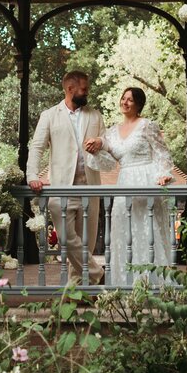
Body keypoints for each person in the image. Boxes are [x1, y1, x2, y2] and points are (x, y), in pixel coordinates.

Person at [84, 87, 175, 284]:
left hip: (146, 178)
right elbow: (108, 163)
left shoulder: (147, 125)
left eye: (130, 100)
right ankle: (125, 284)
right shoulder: (112, 132)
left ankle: (154, 284)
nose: (125, 102)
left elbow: (163, 153)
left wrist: (163, 175)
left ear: (139, 104)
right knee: (123, 232)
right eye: (123, 98)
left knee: (147, 230)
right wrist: (95, 149)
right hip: (124, 182)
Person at [26, 70, 106, 286]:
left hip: (90, 187)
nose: (87, 92)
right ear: (70, 89)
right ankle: (99, 274)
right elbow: (37, 148)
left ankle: (79, 290)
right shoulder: (49, 115)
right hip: (61, 188)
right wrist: (33, 175)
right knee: (65, 239)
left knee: (85, 243)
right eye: (83, 88)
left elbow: (106, 149)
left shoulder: (95, 116)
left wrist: (101, 142)